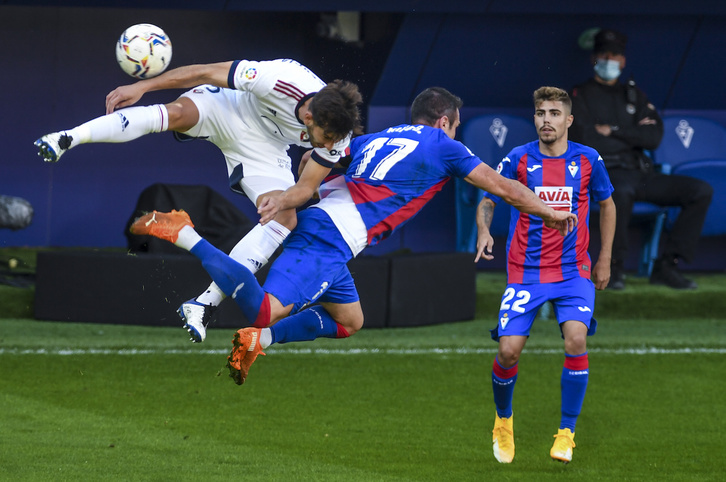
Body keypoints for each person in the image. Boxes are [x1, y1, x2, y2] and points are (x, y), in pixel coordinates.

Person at [128, 87, 578, 389]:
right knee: (266, 309)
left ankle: (256, 344)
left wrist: (301, 193)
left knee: (349, 322)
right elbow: (505, 188)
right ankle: (184, 232)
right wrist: (552, 212)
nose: (456, 134)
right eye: (456, 127)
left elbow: (316, 154)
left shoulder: (376, 138)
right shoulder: (443, 145)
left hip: (332, 234)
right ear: (445, 122)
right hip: (329, 238)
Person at [35, 59, 363, 341]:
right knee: (174, 113)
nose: (329, 144)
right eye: (326, 137)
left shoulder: (337, 130)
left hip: (263, 149)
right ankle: (67, 137)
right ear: (309, 117)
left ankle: (203, 304)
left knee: (286, 218)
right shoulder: (279, 79)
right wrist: (144, 87)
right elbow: (204, 72)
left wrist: (281, 202)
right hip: (227, 106)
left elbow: (306, 188)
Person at [475, 86, 615, 464]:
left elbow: (607, 204)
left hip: (574, 271)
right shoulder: (518, 159)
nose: (546, 120)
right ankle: (503, 420)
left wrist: (604, 259)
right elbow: (489, 197)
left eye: (554, 113)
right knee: (507, 351)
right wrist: (485, 230)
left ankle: (566, 433)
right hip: (526, 271)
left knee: (575, 341)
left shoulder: (588, 160)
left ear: (568, 120)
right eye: (540, 113)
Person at [569, 28, 713, 290]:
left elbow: (653, 136)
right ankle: (614, 268)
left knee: (700, 190)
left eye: (615, 55)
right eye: (604, 54)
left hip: (640, 173)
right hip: (605, 171)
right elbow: (587, 138)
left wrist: (613, 131)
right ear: (594, 58)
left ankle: (667, 265)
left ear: (623, 61)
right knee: (619, 192)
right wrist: (630, 136)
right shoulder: (580, 94)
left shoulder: (633, 95)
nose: (609, 60)